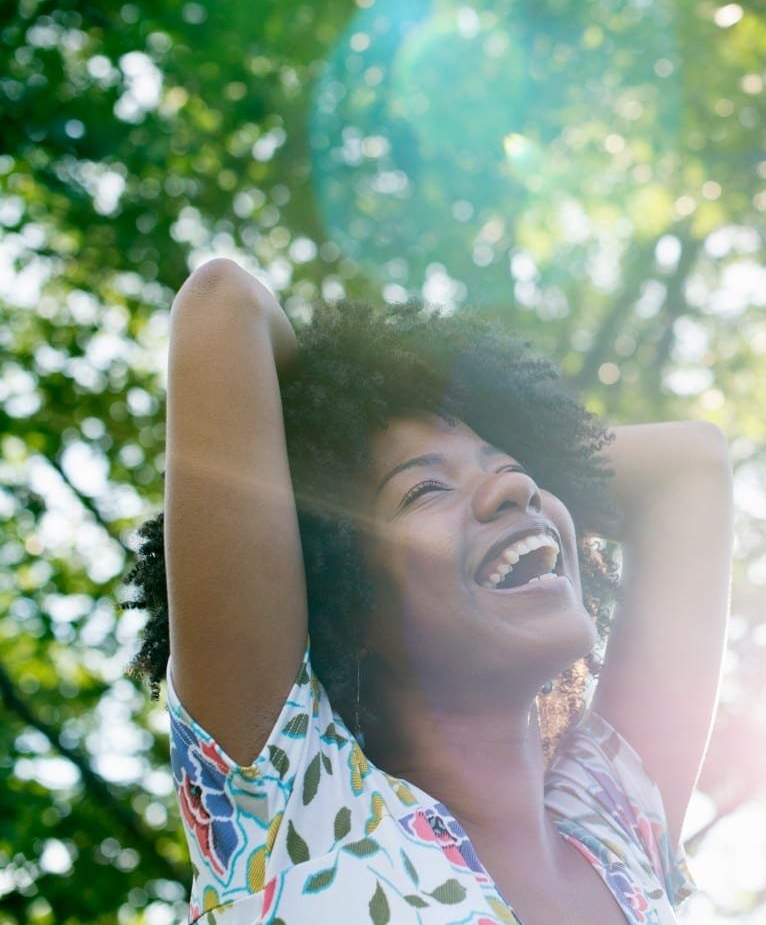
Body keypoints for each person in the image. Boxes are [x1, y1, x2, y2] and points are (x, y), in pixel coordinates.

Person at [123, 257, 733, 924]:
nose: (518, 489)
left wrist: (538, 454)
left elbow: (693, 463)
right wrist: (319, 435)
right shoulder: (295, 808)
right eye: (425, 490)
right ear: (344, 596)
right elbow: (224, 303)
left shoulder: (617, 828)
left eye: (516, 469)